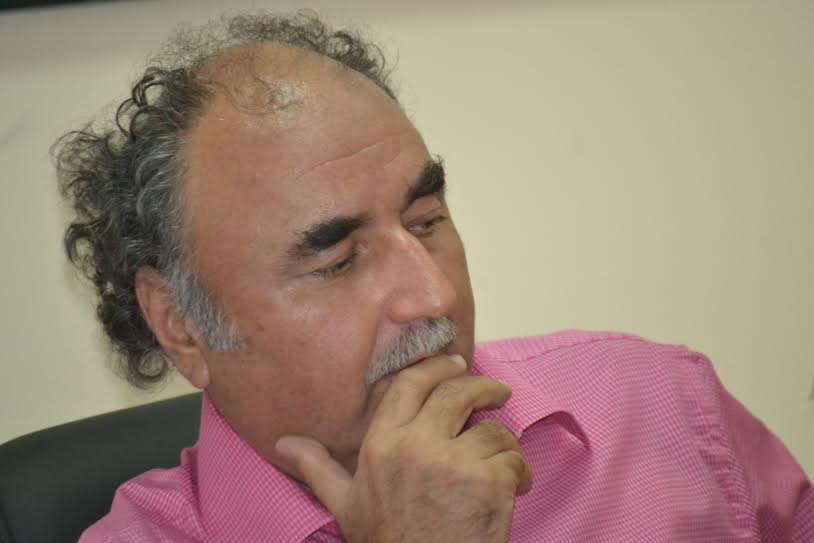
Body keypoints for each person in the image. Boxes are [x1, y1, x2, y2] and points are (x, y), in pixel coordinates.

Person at [54, 11, 811, 543]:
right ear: (180, 323)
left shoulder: (659, 403)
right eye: (337, 261)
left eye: (425, 221)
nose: (434, 296)